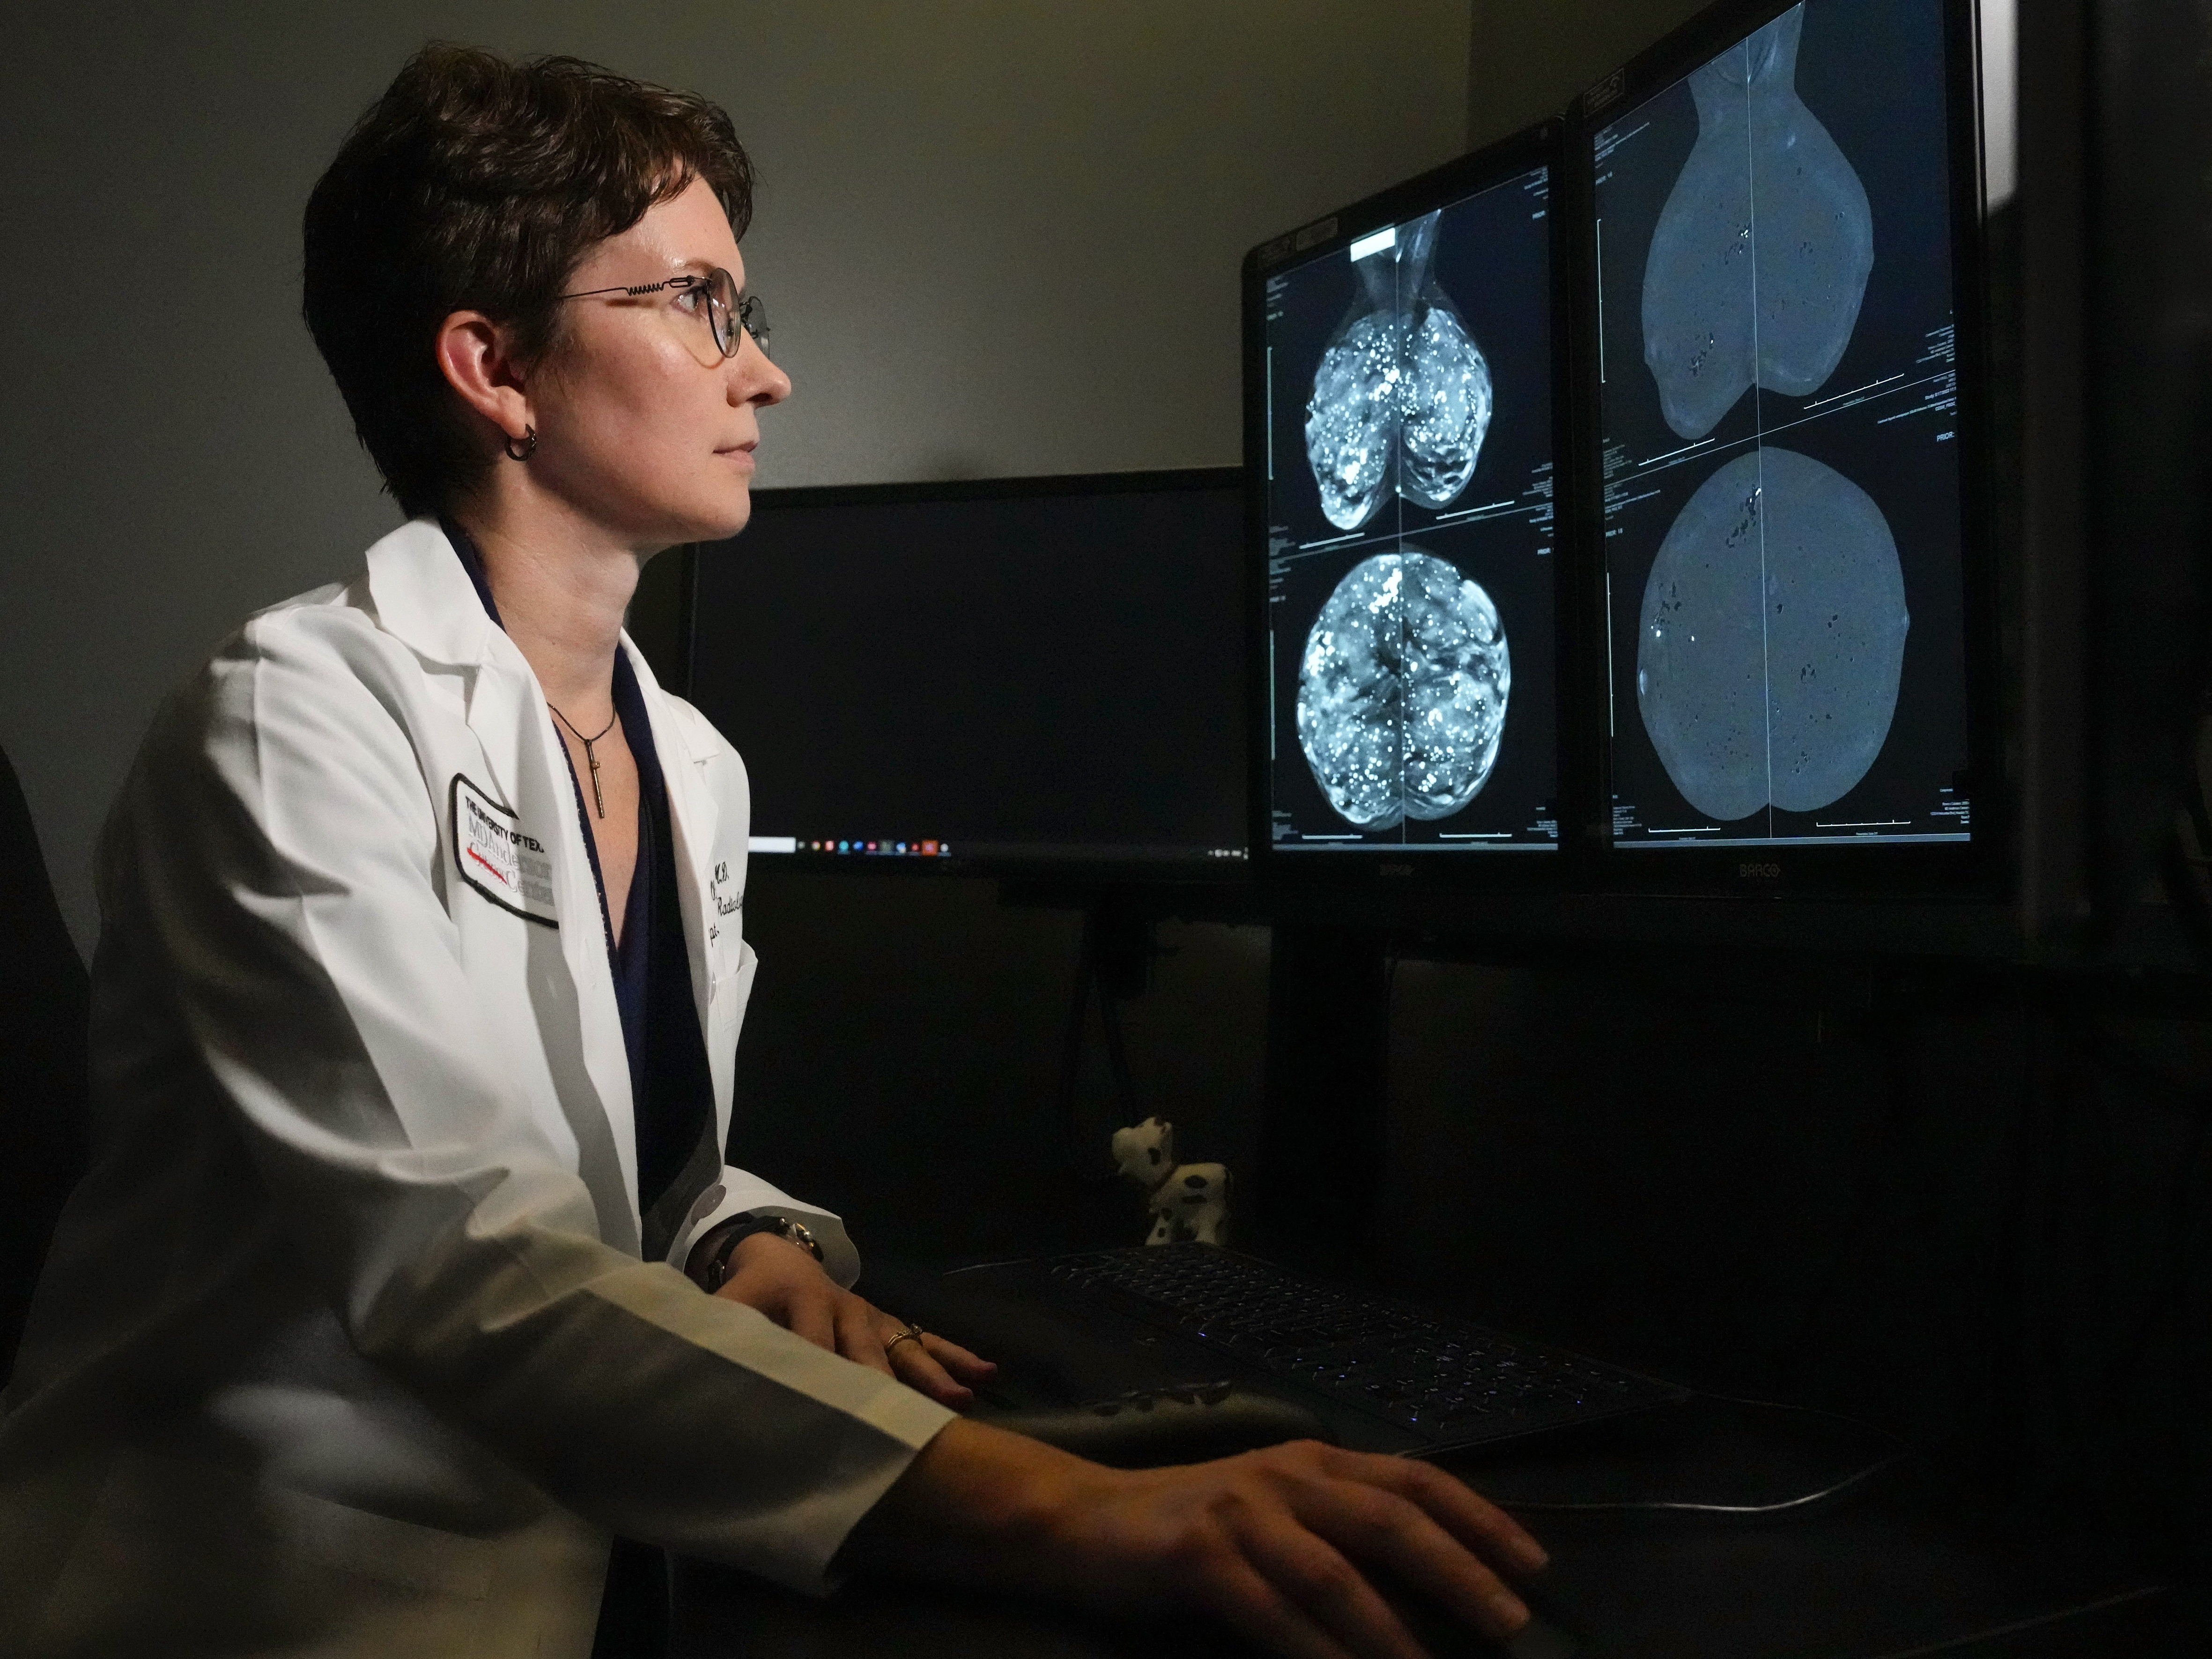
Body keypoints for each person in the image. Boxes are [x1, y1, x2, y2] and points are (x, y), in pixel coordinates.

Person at [0, 44, 1547, 1659]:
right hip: (280, 1599)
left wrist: (737, 1229)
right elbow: (457, 1265)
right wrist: (1074, 1509)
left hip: (602, 1560)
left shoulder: (689, 763)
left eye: (749, 314)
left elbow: (602, 1166)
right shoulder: (294, 724)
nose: (763, 375)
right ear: (494, 367)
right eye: (695, 304)